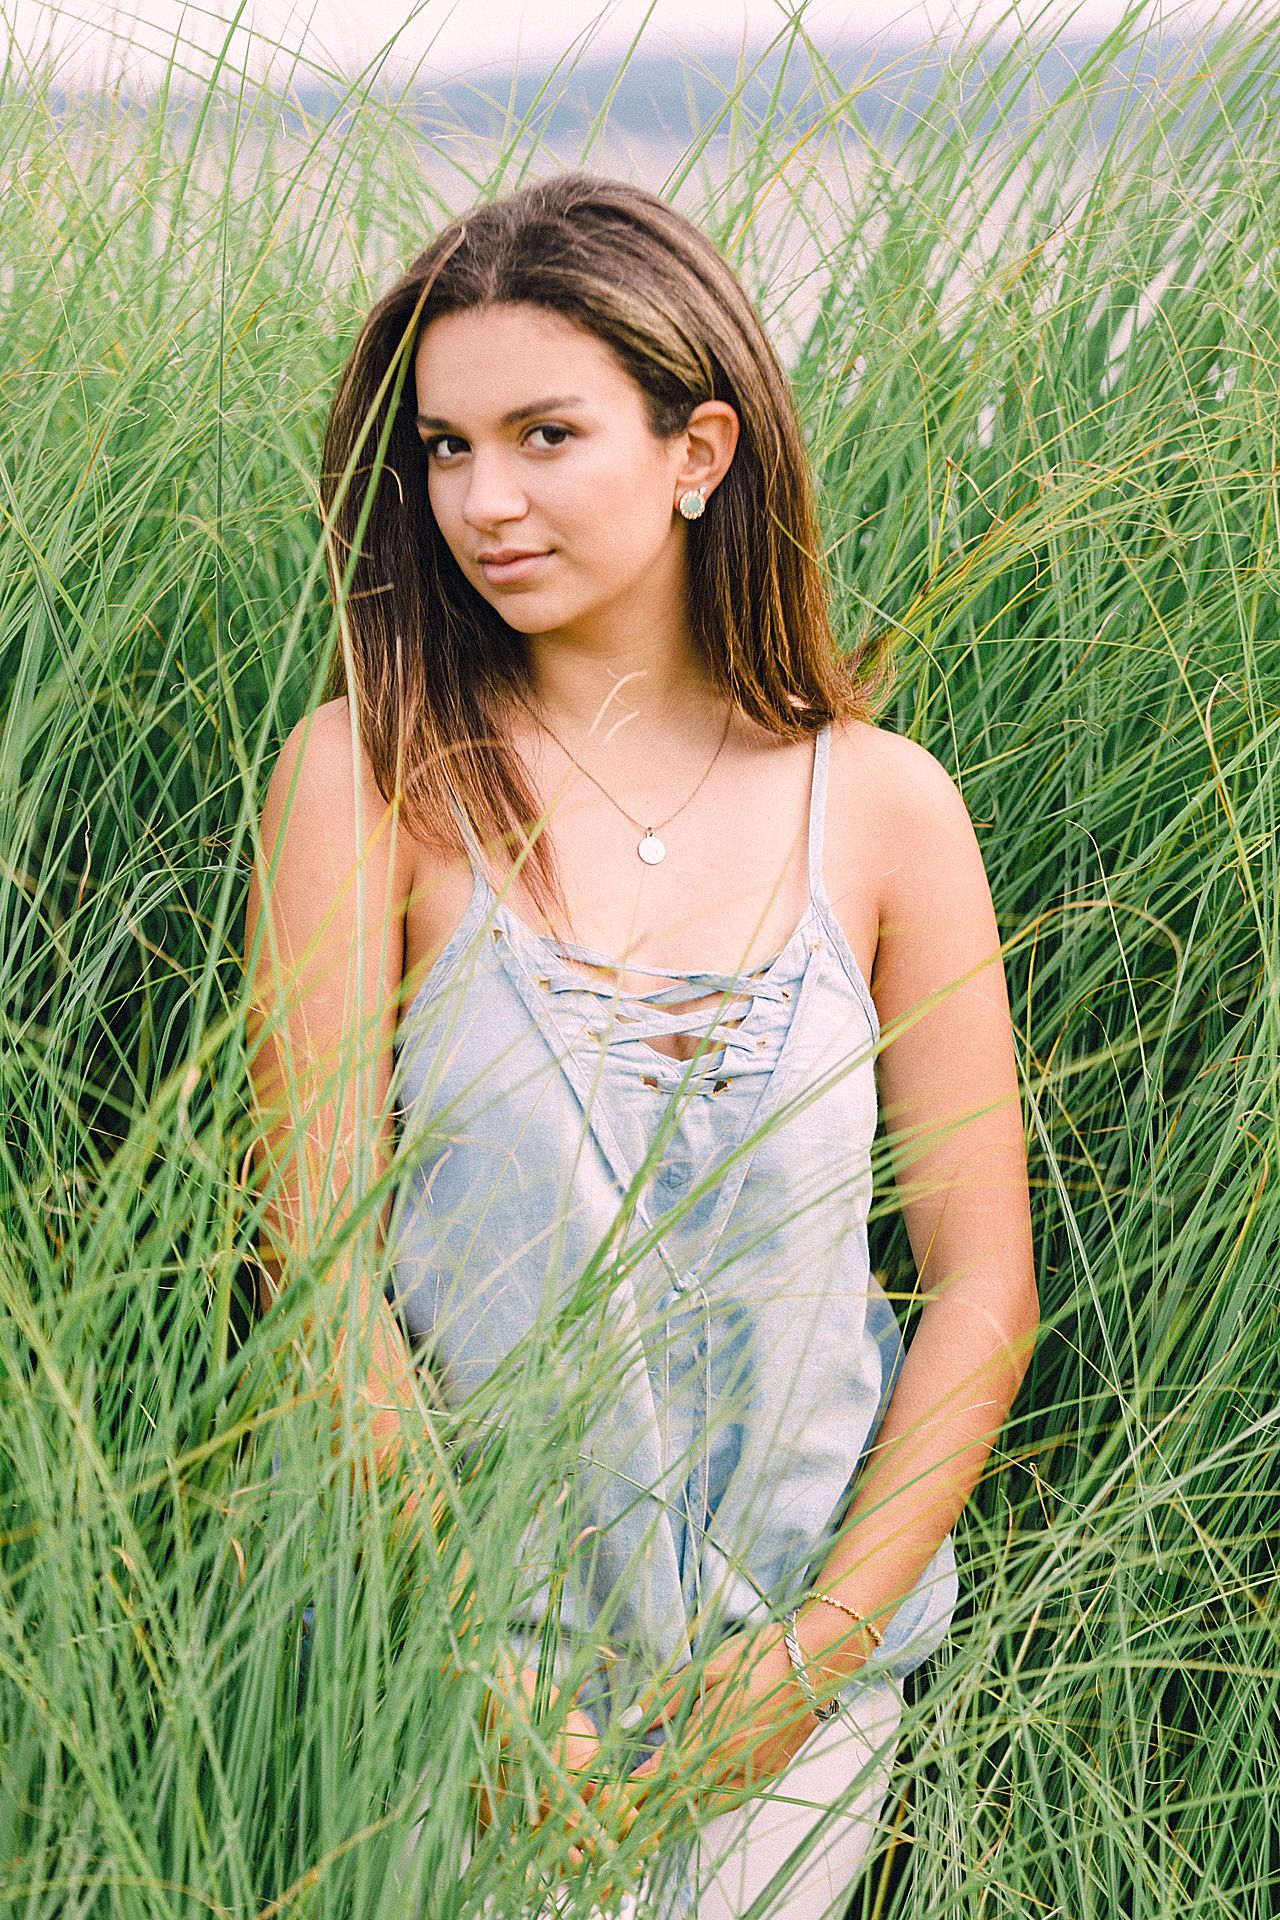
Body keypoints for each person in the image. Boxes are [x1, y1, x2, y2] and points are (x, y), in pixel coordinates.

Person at [242, 170, 1038, 1919]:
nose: (483, 499)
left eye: (543, 433)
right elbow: (315, 1257)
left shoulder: (888, 810)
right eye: (444, 448)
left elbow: (983, 1284)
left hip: (794, 1696)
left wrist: (810, 1665)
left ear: (700, 450)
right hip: (455, 1689)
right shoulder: (364, 774)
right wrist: (474, 1662)